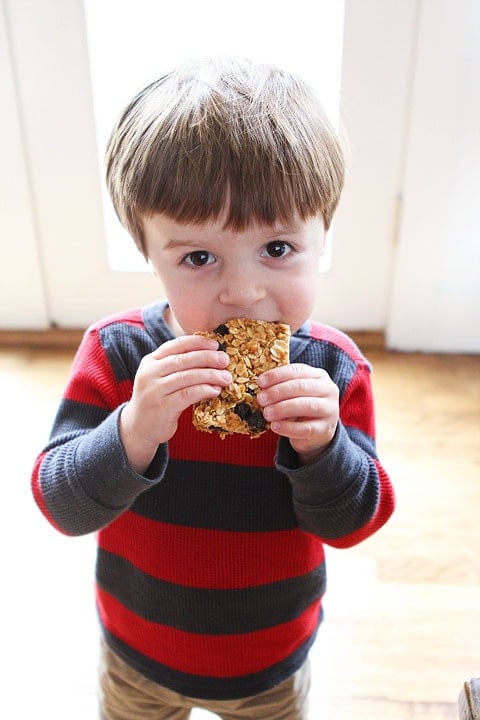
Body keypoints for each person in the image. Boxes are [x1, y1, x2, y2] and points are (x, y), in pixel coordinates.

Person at [31, 56, 395, 720]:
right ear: (148, 253)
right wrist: (133, 431)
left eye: (278, 248)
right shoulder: (117, 357)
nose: (244, 292)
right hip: (137, 653)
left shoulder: (333, 372)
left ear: (324, 237)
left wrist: (323, 447)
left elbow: (355, 524)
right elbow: (62, 505)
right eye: (198, 258)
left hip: (269, 663)